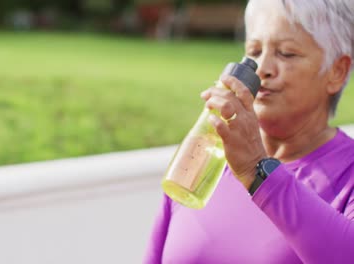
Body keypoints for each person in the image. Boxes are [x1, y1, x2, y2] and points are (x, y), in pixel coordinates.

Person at [143, 0, 354, 263]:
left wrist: (257, 170)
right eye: (254, 50)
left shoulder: (348, 174)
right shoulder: (206, 156)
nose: (262, 68)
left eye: (287, 53)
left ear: (337, 71)